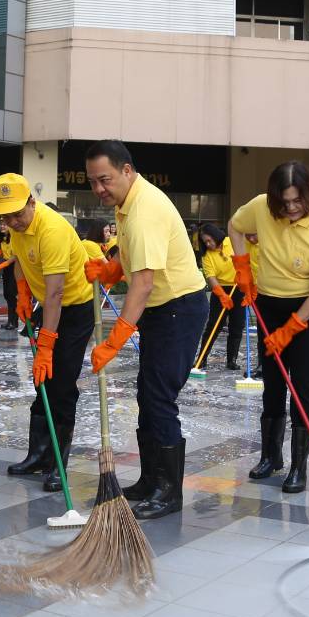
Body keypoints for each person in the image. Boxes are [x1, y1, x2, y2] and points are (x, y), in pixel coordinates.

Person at [84, 141, 207, 519]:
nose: (99, 188)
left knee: (159, 397)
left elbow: (143, 283)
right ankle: (151, 478)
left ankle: (169, 492)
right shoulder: (127, 203)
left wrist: (114, 341)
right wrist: (111, 270)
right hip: (161, 309)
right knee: (147, 394)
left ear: (127, 170)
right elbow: (133, 256)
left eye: (105, 179)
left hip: (179, 308)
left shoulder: (144, 211)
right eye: (93, 182)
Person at [229, 161, 309, 494]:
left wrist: (291, 329)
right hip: (270, 304)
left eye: (297, 201)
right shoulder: (262, 207)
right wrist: (242, 268)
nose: (291, 208)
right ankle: (270, 456)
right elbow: (235, 226)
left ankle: (298, 466)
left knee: (301, 384)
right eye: (284, 202)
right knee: (273, 382)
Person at [0, 175, 95, 491]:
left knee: (61, 383)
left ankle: (58, 464)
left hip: (74, 308)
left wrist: (47, 344)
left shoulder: (51, 230)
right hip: (50, 307)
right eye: (5, 217)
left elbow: (56, 293)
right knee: (43, 382)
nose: (12, 222)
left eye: (16, 214)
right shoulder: (18, 228)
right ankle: (38, 455)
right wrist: (22, 293)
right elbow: (20, 261)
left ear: (32, 202)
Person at [197, 223, 242, 370]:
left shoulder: (231, 242)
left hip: (238, 287)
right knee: (214, 325)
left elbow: (244, 256)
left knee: (236, 326)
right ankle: (202, 359)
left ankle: (232, 360)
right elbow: (211, 277)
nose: (208, 244)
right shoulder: (207, 256)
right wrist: (222, 295)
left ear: (215, 235)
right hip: (220, 289)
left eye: (209, 240)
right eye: (205, 242)